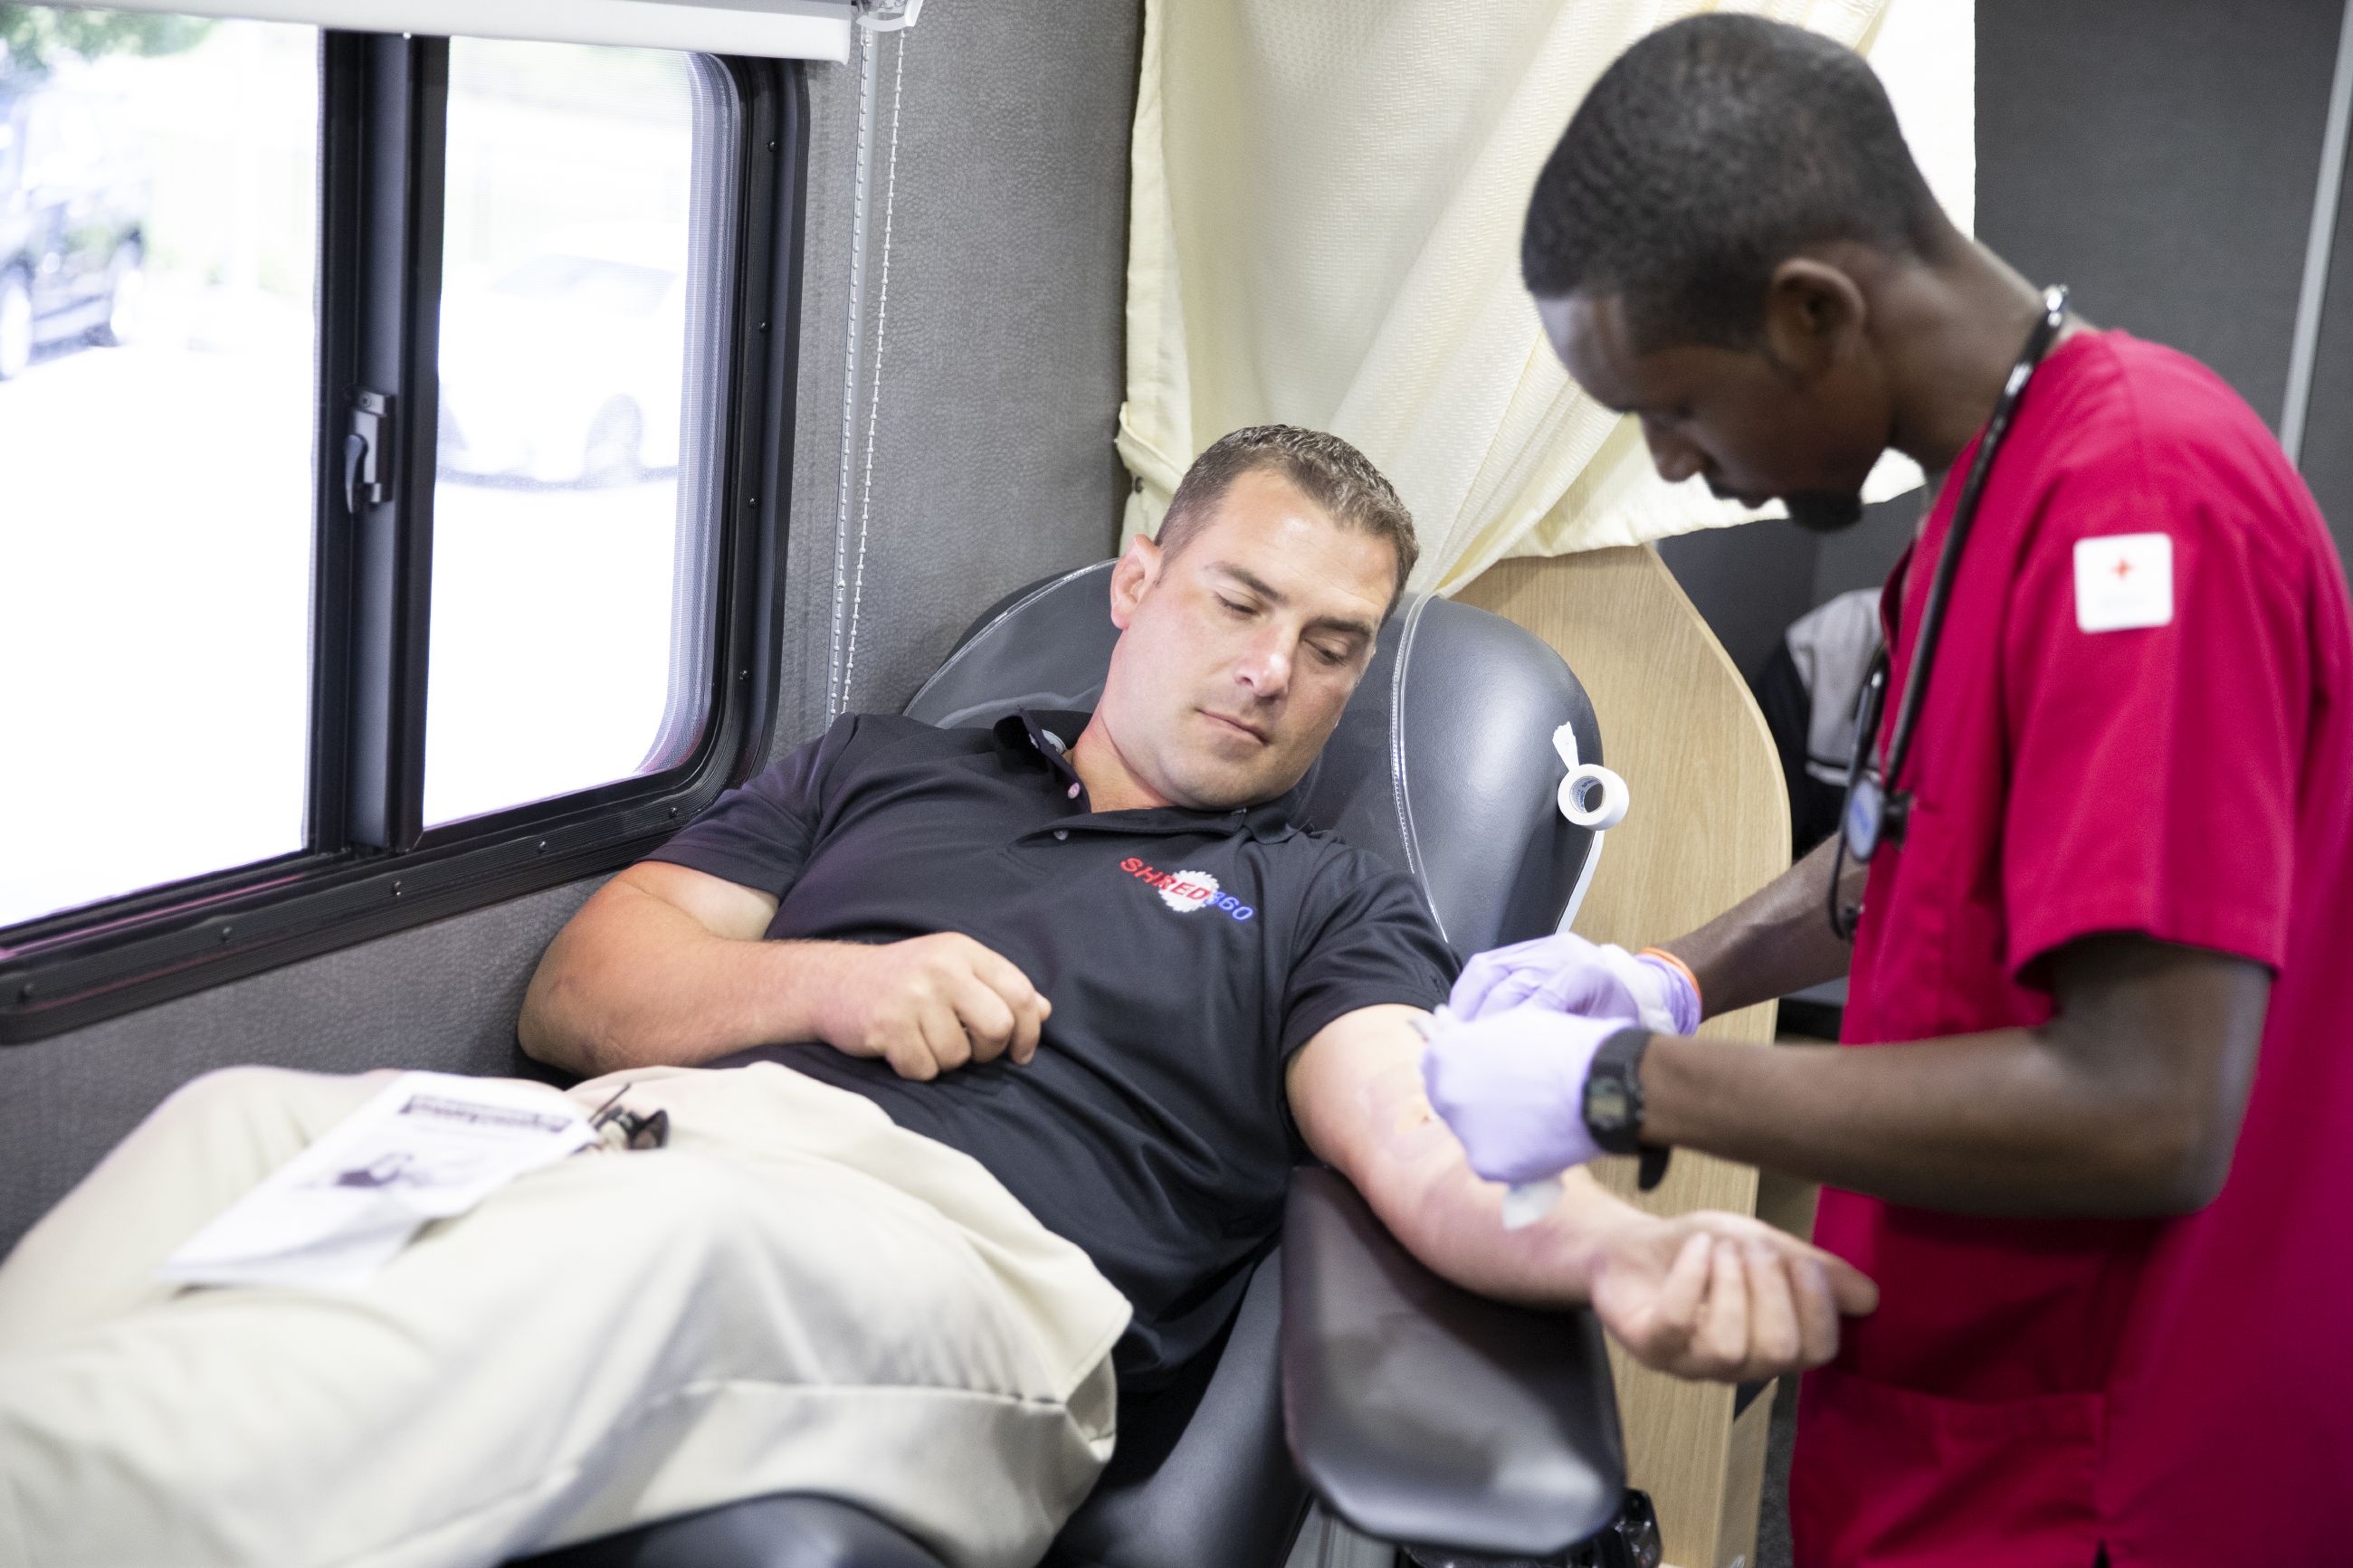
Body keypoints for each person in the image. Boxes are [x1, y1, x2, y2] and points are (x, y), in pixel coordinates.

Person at [0, 424, 1873, 1568]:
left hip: (952, 1268)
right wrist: (837, 978)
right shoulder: (886, 765)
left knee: (649, 1251)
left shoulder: (1323, 896)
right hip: (612, 1144)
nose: (1270, 672)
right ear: (1138, 580)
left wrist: (1613, 1262)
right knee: (232, 1123)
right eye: (1236, 602)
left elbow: (1410, 1132)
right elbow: (590, 991)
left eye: (1330, 646)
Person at [1420, 17, 2353, 1568]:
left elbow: (2150, 1104)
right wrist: (1663, 979)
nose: (1676, 459)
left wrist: (1623, 1088)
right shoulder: (1981, 504)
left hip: (2106, 1466)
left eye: (1676, 405)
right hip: (1942, 1422)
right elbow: (1893, 866)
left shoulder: (2143, 513)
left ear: (1810, 312)